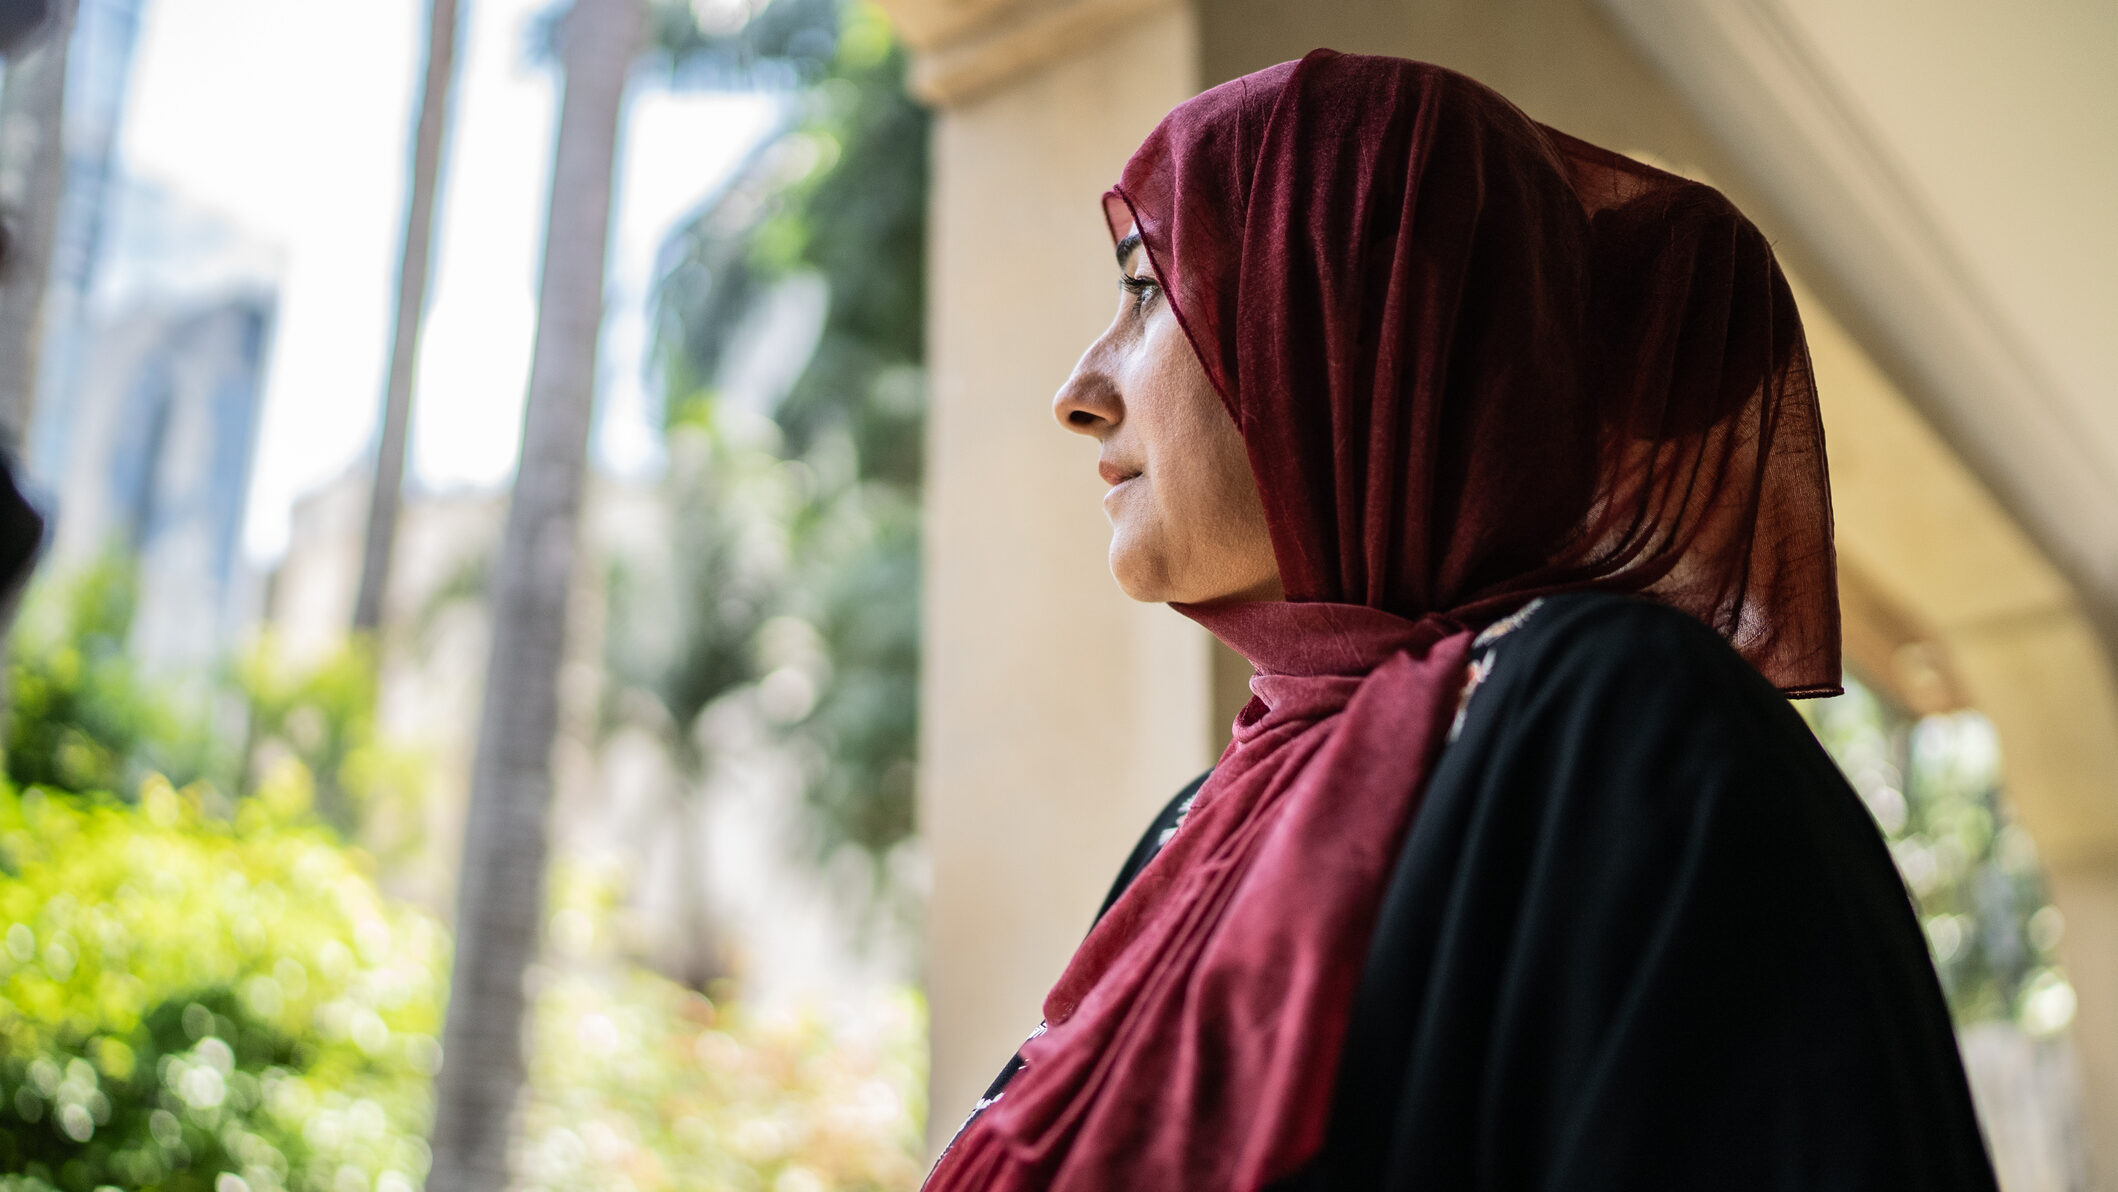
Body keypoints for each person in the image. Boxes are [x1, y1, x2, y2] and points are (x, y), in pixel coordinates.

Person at [920, 49, 2002, 1192]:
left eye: (1147, 289)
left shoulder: (1614, 719)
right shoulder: (1205, 818)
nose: (1078, 389)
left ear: (1349, 324)